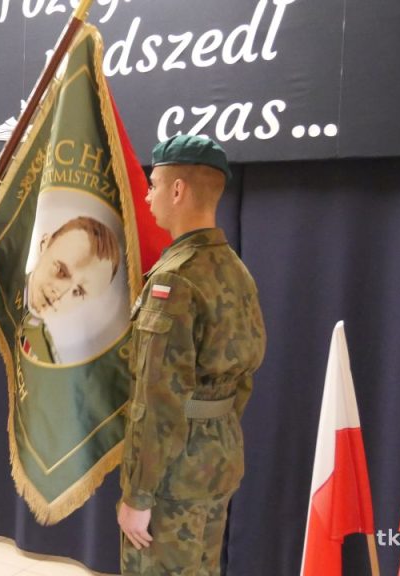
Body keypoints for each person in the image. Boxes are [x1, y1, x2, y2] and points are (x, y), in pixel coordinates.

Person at [117, 135, 266, 575]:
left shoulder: (174, 280)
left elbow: (157, 398)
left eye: (153, 185)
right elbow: (244, 376)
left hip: (173, 475)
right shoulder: (236, 270)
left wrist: (138, 495)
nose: (148, 197)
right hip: (217, 457)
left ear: (178, 190)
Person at [21, 215, 121, 363]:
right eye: (61, 271)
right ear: (44, 244)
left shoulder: (48, 357)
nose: (61, 294)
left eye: (78, 292)